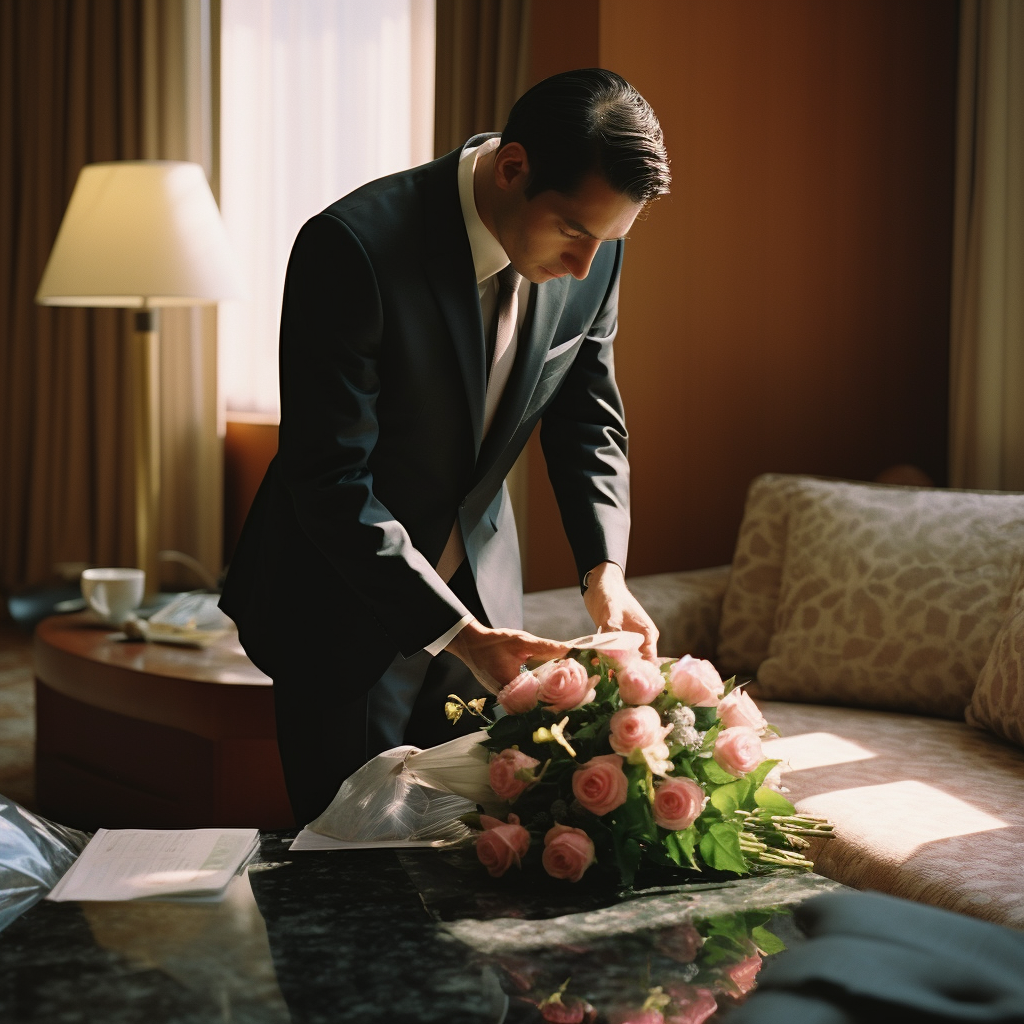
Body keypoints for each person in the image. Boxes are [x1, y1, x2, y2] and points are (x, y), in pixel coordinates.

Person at [220, 68, 671, 825]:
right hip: (343, 606)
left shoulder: (596, 255)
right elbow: (328, 475)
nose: (584, 266)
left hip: (487, 596)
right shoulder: (353, 248)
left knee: (474, 855)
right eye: (572, 232)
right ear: (513, 167)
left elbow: (587, 416)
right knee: (352, 866)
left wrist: (606, 568)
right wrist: (458, 635)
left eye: (608, 241)